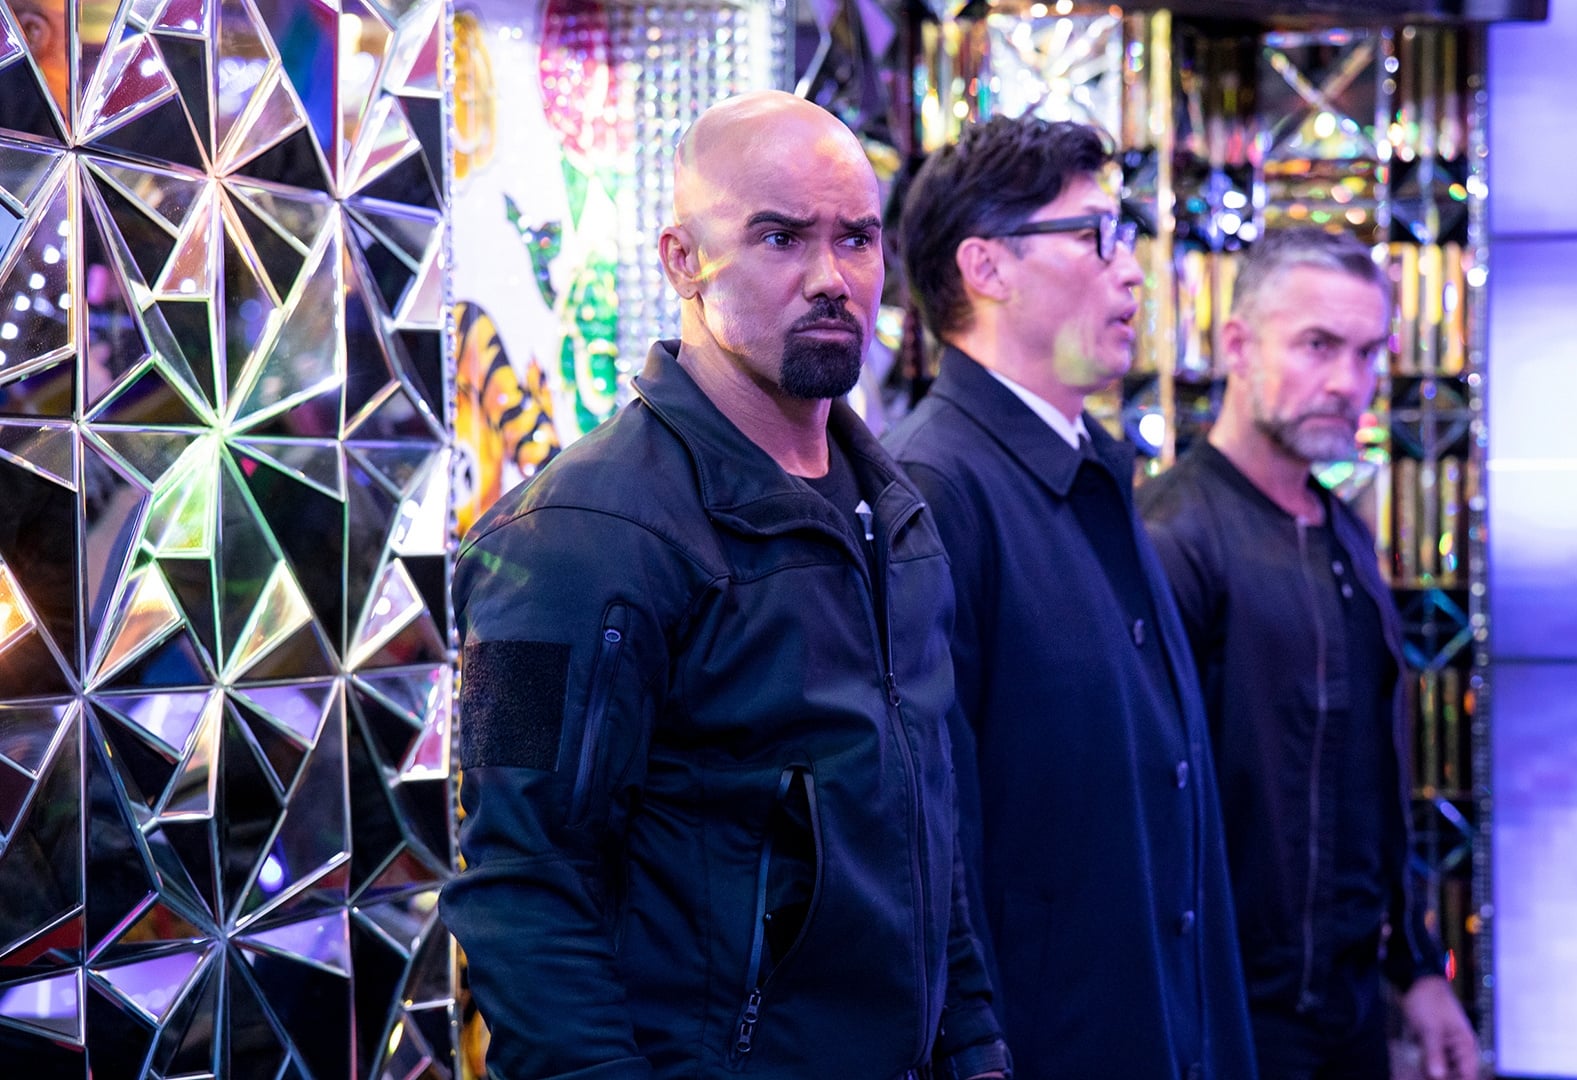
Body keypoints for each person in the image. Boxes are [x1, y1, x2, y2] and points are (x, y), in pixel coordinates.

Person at [441, 91, 1010, 1080]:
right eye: (781, 237)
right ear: (682, 261)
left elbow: (922, 835)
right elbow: (517, 886)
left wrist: (975, 1048)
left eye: (856, 239)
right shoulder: (563, 539)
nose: (831, 278)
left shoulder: (897, 517)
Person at [885, 115, 1257, 1080]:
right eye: (1095, 235)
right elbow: (935, 845)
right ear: (986, 267)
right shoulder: (935, 488)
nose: (1132, 272)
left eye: (1125, 236)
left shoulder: (1089, 466)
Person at [1138, 225, 1481, 1080]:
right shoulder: (1171, 537)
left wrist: (1416, 969)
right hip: (1222, 1017)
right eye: (1318, 345)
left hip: (1350, 1009)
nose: (1346, 383)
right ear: (1237, 346)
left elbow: (1371, 787)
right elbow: (1138, 815)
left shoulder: (1345, 539)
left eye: (1365, 354)